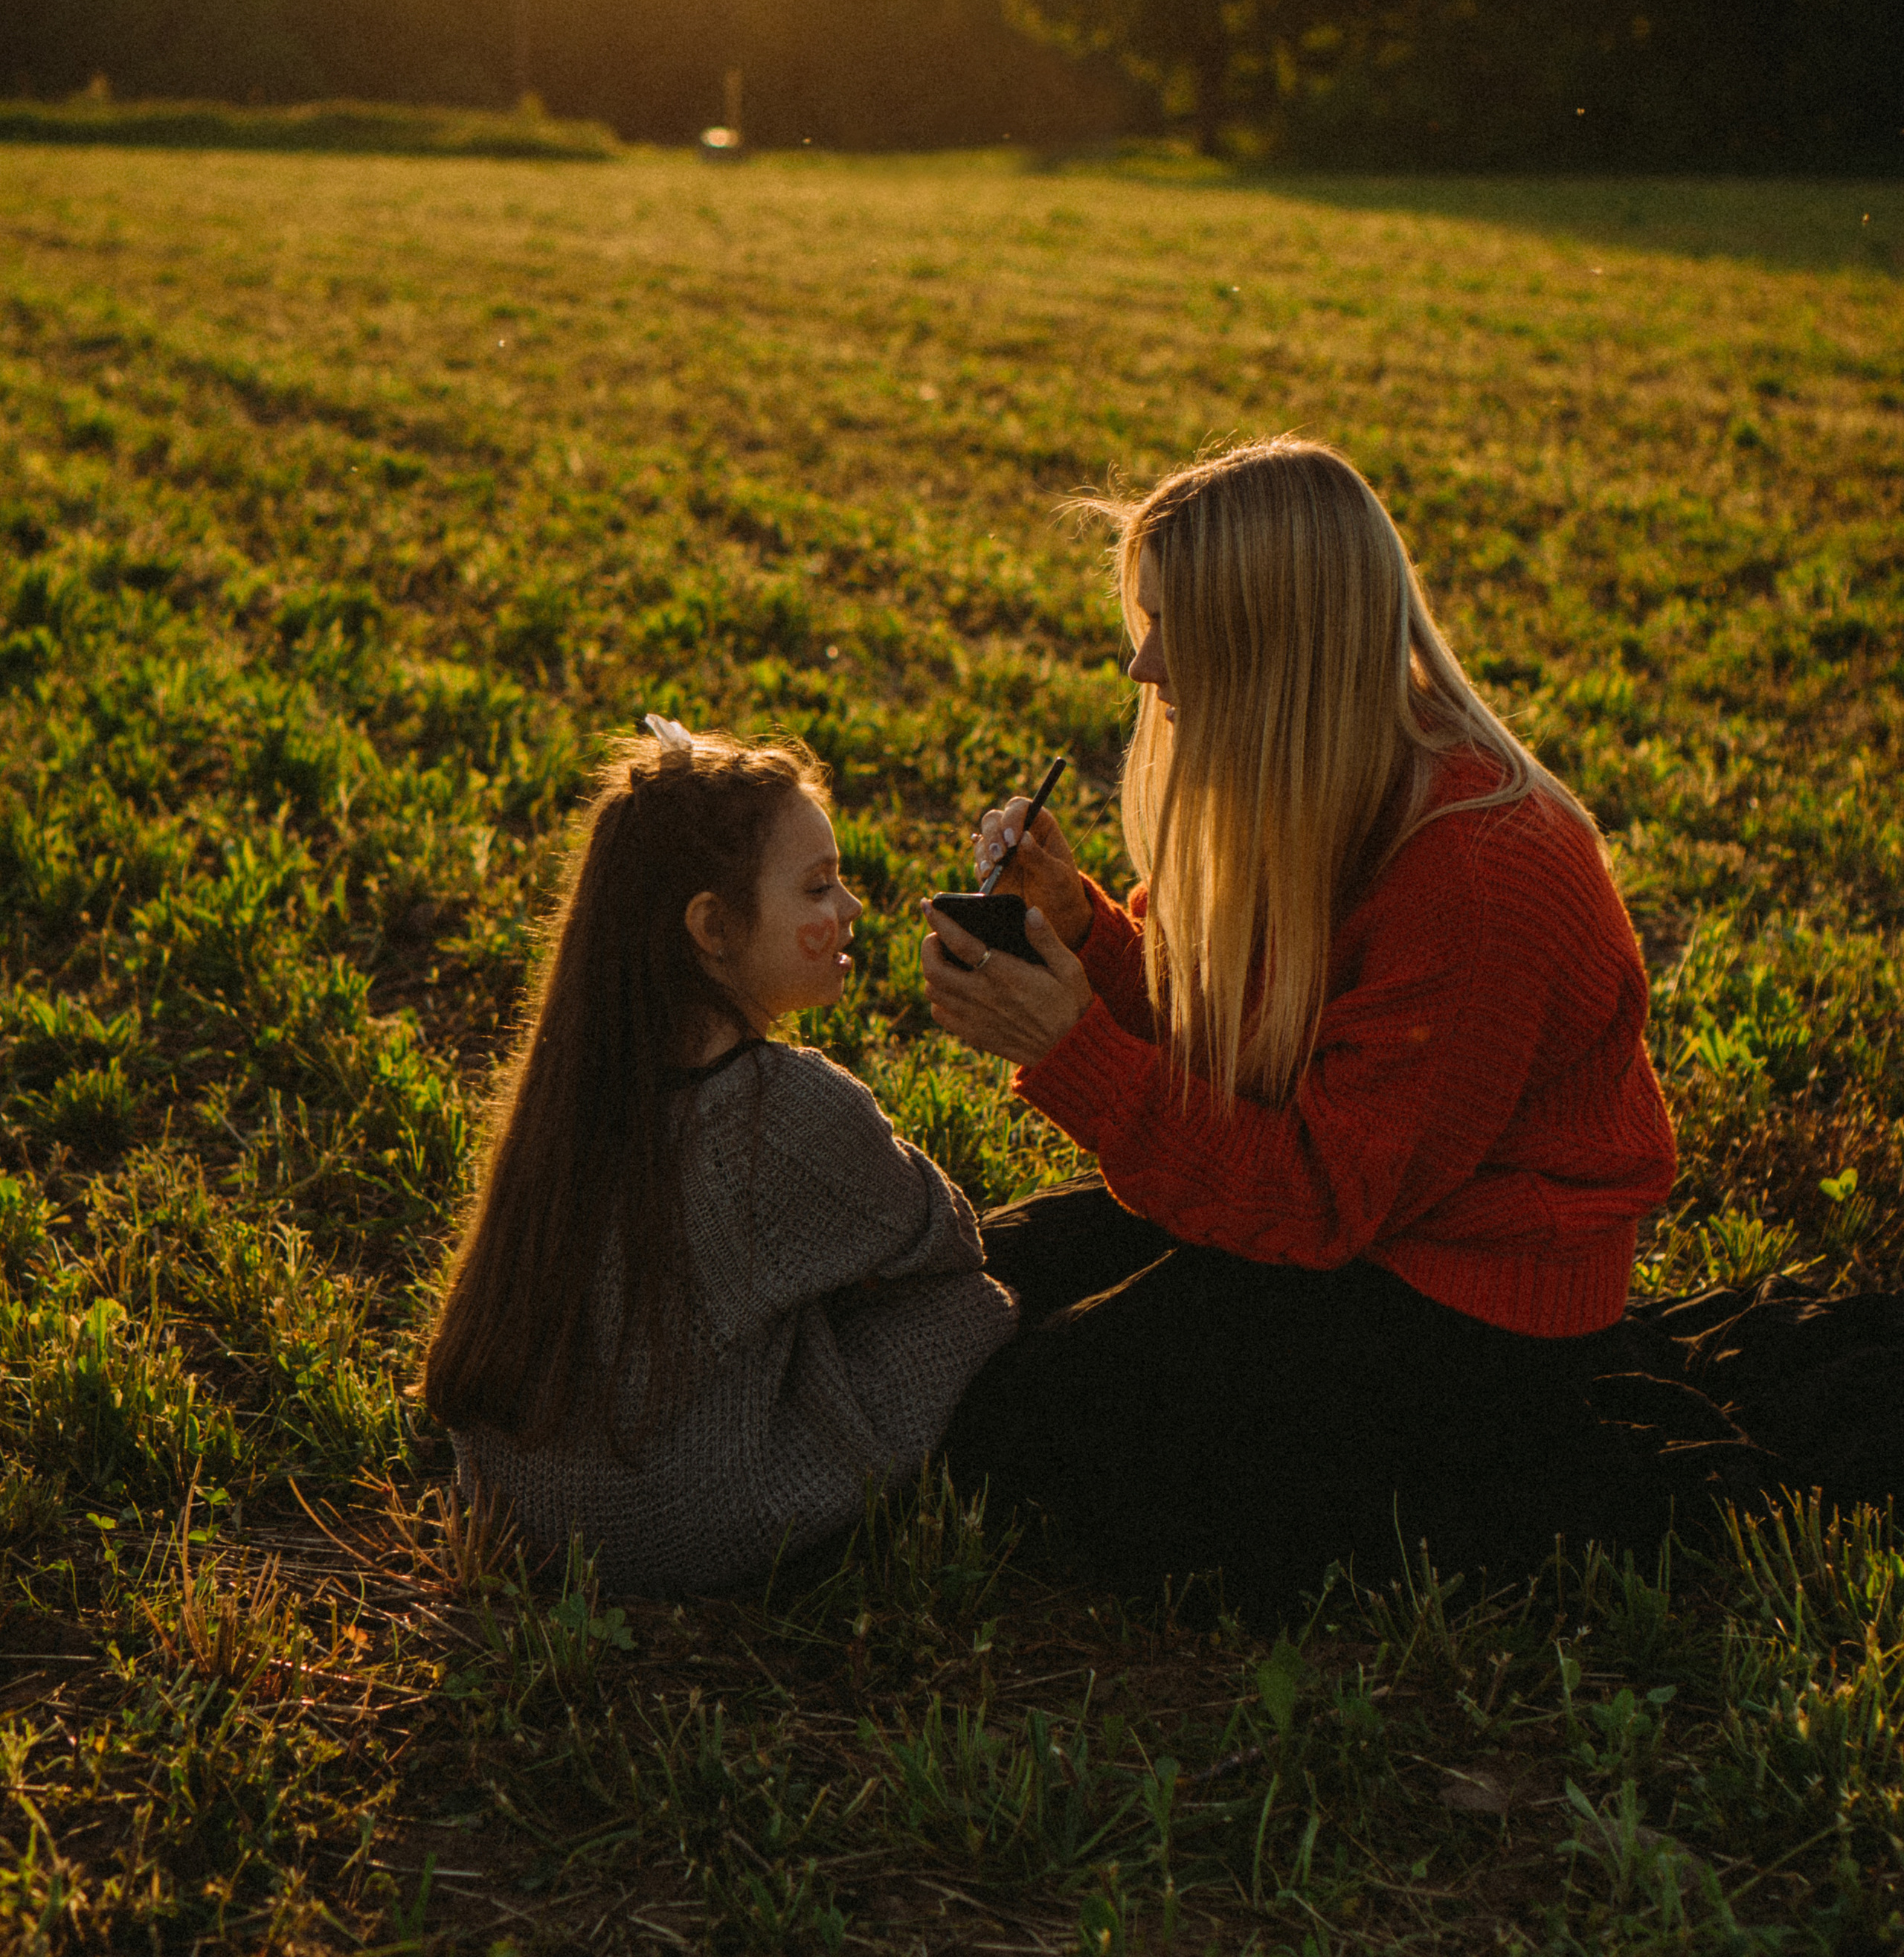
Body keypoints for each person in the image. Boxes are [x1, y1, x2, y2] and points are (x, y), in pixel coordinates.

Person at [924, 437, 1771, 1616]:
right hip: (1359, 1217)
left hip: (1467, 1292)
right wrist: (1086, 930)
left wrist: (1074, 1054)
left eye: (1173, 626)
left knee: (1039, 1437)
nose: (1143, 664)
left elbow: (1318, 1199)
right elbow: (1250, 1060)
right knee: (982, 1278)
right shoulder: (1308, 780)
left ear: (1277, 641)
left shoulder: (1483, 872)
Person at [423, 724, 1016, 1596]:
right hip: (676, 1530)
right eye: (818, 887)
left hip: (523, 1511)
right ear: (712, 927)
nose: (850, 907)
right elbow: (948, 1246)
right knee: (981, 1306)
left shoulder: (573, 1088)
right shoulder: (789, 1112)